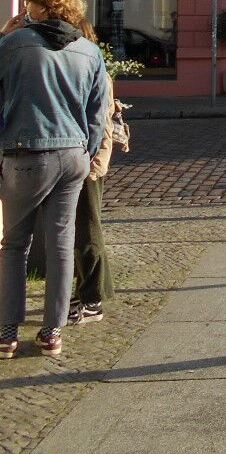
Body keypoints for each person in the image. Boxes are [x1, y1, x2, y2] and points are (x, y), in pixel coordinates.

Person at [0, 0, 109, 359]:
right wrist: (85, 151)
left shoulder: (13, 44)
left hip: (25, 154)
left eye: (30, 3)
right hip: (73, 156)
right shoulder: (89, 51)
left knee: (15, 245)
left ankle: (7, 333)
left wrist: (4, 34)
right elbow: (99, 116)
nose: (26, 8)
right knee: (62, 245)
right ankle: (51, 333)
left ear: (42, 8)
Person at [70, 19, 123, 327]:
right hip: (83, 157)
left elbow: (98, 120)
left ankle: (92, 298)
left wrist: (88, 159)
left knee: (87, 228)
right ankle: (89, 292)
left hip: (88, 161)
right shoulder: (88, 63)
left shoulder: (93, 67)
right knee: (79, 228)